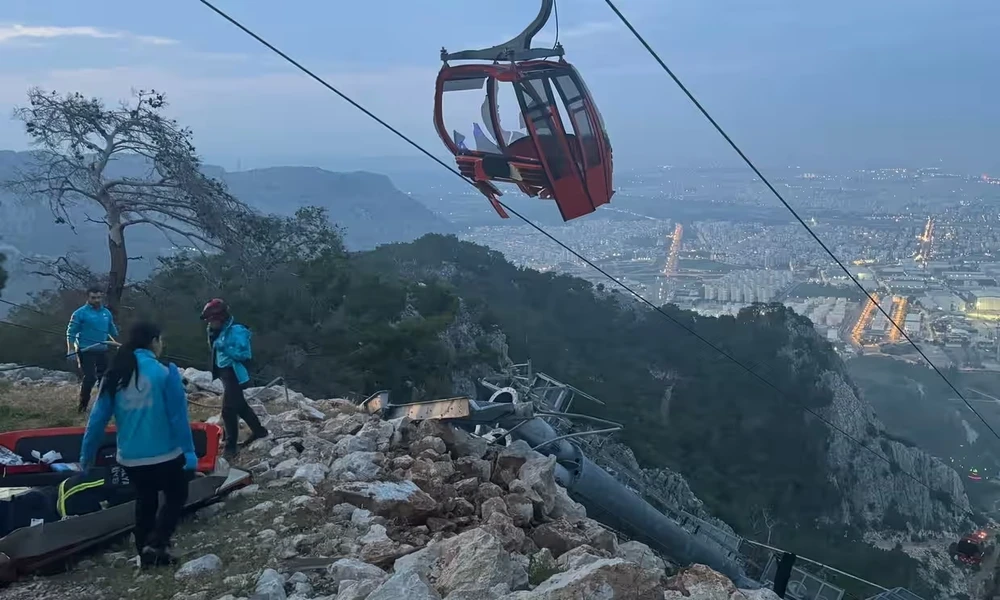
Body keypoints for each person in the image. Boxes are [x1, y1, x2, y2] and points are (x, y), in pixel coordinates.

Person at [79, 321, 197, 568]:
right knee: (176, 495)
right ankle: (158, 543)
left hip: (130, 457)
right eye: (160, 341)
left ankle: (146, 556)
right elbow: (178, 418)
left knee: (146, 500)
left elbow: (97, 420)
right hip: (165, 453)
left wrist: (86, 455)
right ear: (153, 342)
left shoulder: (115, 374)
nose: (162, 345)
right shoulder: (165, 373)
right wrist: (189, 452)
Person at [201, 299, 268, 460]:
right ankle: (259, 431)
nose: (210, 322)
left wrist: (225, 347)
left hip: (234, 373)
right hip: (224, 373)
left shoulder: (237, 331)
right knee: (240, 406)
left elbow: (244, 354)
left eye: (212, 319)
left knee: (228, 409)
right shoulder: (214, 331)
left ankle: (231, 446)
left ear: (221, 317)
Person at [66, 286, 120, 413]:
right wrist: (70, 350)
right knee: (90, 377)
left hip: (103, 349)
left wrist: (117, 344)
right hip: (86, 350)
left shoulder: (106, 313)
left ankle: (105, 406)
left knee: (105, 378)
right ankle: (83, 406)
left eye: (99, 297)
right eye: (93, 298)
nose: (96, 300)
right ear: (88, 298)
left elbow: (111, 331)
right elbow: (71, 332)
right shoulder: (80, 313)